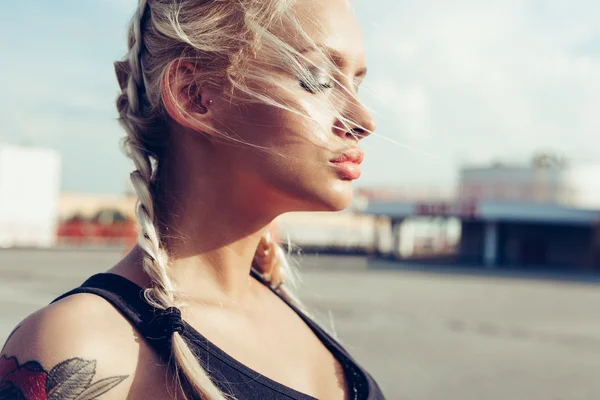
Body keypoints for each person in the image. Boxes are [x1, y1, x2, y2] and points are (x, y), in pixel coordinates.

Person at [0, 0, 384, 398]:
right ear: (194, 95)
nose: (365, 121)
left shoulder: (282, 307)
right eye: (317, 78)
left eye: (355, 84)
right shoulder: (79, 347)